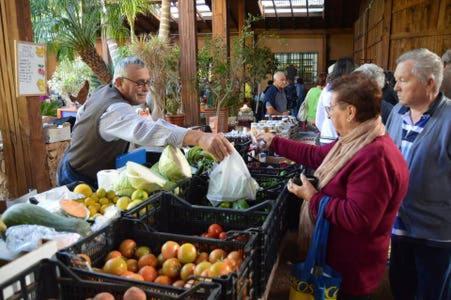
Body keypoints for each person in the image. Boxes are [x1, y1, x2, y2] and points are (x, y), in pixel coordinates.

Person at [259, 73, 409, 299]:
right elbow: (316, 155)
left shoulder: (374, 156)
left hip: (350, 268)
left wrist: (313, 198)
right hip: (338, 259)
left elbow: (359, 218)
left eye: (331, 109)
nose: (328, 116)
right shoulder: (355, 141)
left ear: (350, 112)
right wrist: (274, 141)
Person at [57, 56, 233, 187]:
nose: (146, 89)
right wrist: (199, 138)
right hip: (78, 178)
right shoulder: (114, 109)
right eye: (139, 83)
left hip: (73, 162)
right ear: (119, 82)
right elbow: (147, 130)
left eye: (148, 82)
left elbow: (81, 114)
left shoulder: (103, 92)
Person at [386, 48, 451, 300]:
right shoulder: (397, 113)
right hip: (399, 228)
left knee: (430, 294)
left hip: (434, 234)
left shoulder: (447, 119)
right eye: (396, 80)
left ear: (430, 82)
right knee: (400, 287)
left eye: (403, 80)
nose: (396, 88)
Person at [315, 58, 356, 143]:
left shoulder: (326, 89)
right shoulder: (350, 90)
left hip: (327, 135)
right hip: (345, 138)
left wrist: (326, 129)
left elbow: (319, 117)